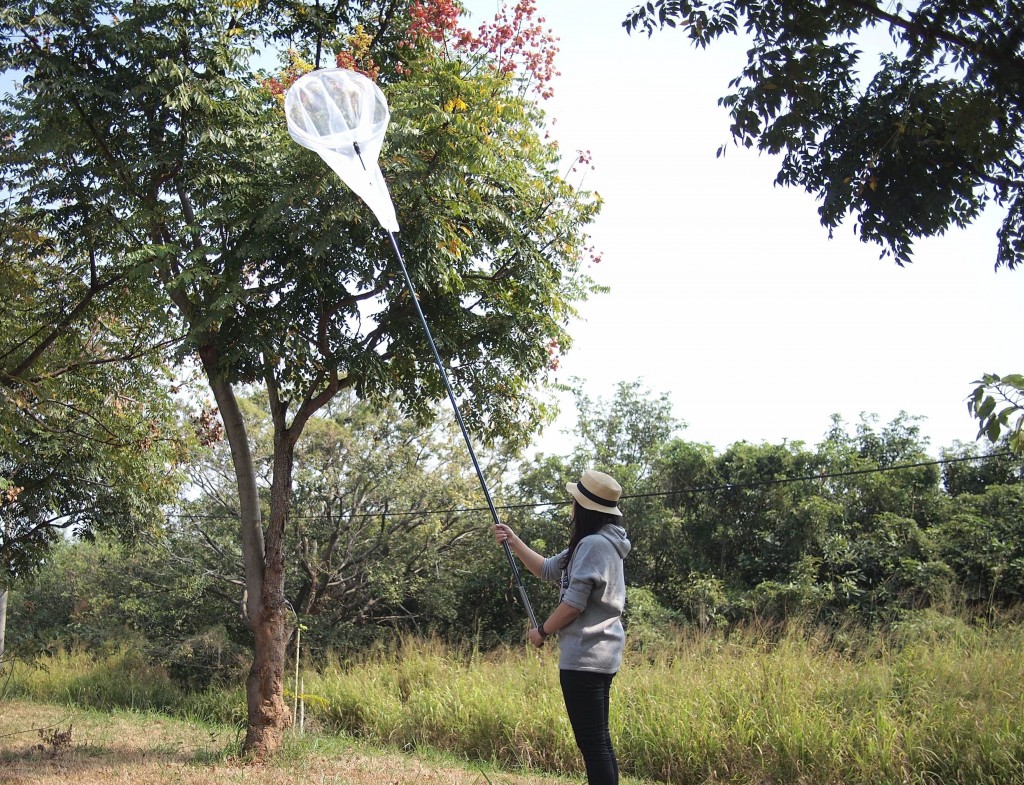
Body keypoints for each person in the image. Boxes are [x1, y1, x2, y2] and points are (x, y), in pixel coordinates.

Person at [493, 469, 631, 785]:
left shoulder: (594, 545)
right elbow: (546, 569)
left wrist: (541, 631)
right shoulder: (595, 543)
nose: (571, 506)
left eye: (574, 501)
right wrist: (513, 541)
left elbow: (573, 604)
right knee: (599, 741)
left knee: (593, 745)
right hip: (600, 655)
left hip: (586, 656)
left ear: (584, 507)